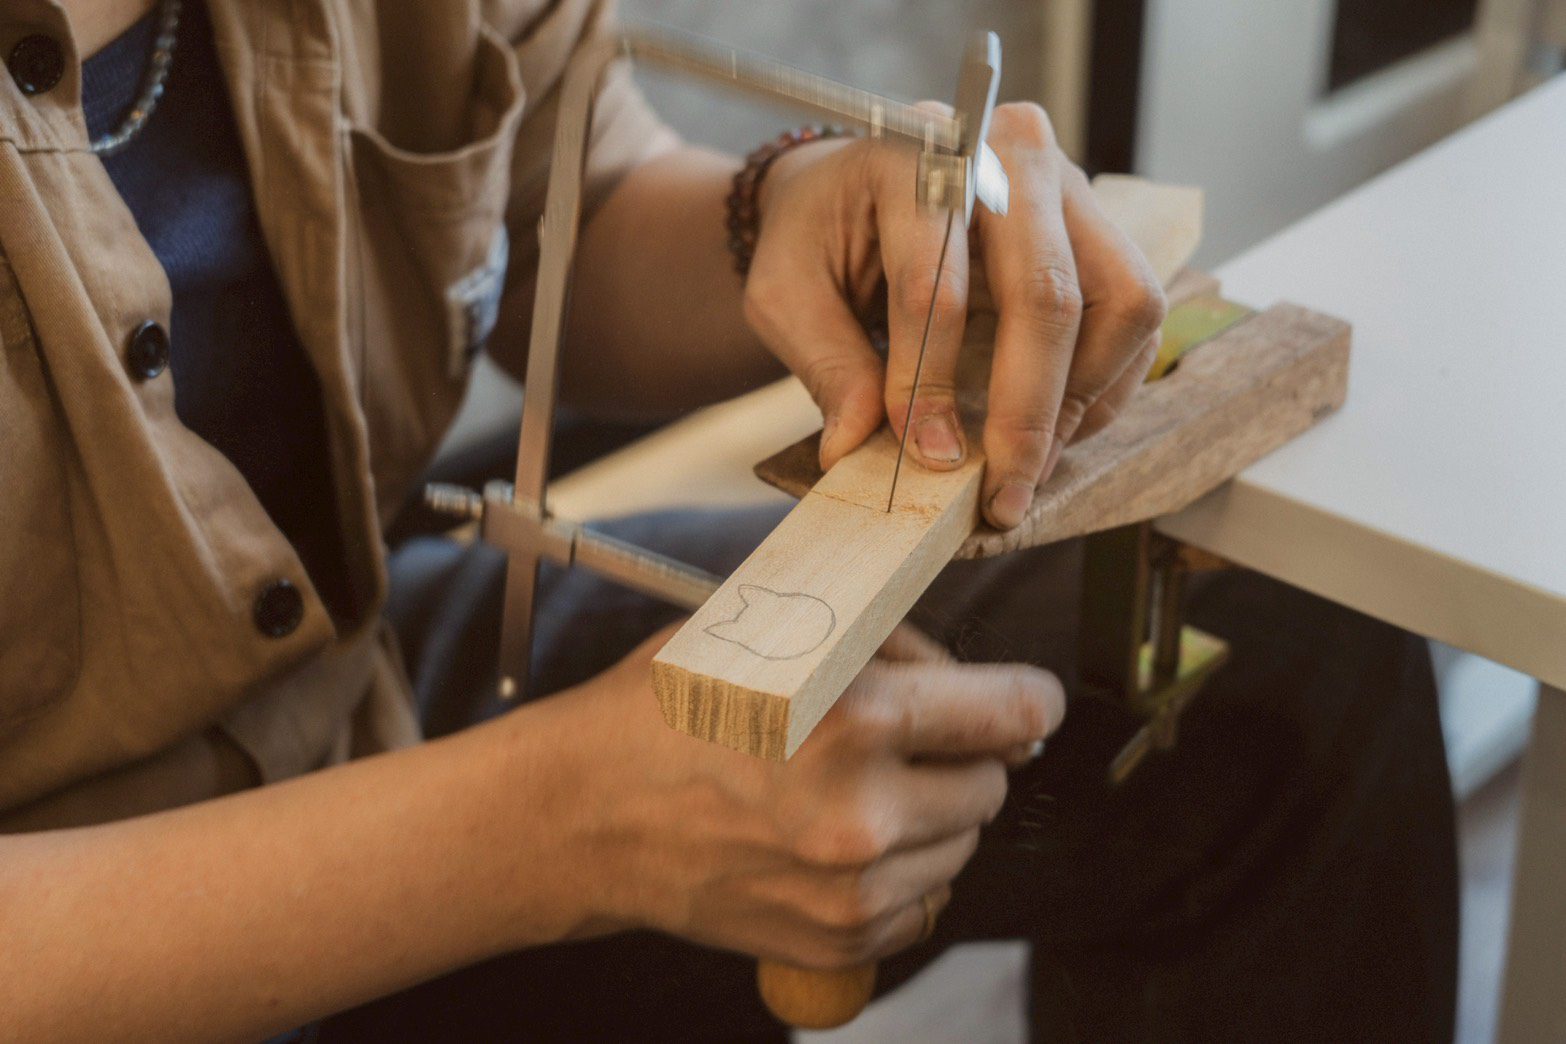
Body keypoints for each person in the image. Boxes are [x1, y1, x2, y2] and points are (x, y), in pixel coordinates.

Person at [0, 0, 1456, 1040]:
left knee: (1272, 655)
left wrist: (810, 217)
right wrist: (560, 827)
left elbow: (576, 194)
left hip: (350, 689)